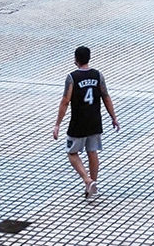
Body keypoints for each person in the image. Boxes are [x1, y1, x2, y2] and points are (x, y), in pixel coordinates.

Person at [52, 46, 120, 197]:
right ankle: (93, 185)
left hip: (78, 123)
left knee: (72, 153)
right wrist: (113, 117)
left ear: (76, 59)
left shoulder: (72, 77)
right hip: (95, 121)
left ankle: (87, 180)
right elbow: (106, 96)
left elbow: (65, 101)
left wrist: (57, 124)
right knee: (92, 152)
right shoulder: (98, 75)